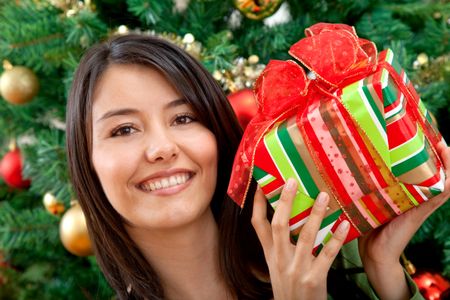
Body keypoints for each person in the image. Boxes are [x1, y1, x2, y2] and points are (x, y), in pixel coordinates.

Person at [66, 33, 450, 300]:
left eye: (183, 119)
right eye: (123, 129)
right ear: (88, 163)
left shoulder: (329, 261)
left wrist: (384, 270)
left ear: (216, 132)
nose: (161, 148)